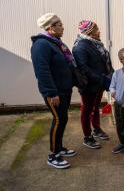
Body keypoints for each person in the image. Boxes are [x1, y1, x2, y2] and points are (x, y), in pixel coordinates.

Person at [31, 13, 76, 169]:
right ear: (51, 28)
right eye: (60, 25)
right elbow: (42, 71)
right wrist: (51, 93)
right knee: (58, 120)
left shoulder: (55, 42)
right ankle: (53, 154)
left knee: (62, 119)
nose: (63, 27)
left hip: (64, 89)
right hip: (54, 92)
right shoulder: (41, 45)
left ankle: (59, 147)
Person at [73, 20, 114, 149]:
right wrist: (100, 78)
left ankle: (96, 129)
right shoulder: (80, 46)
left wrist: (109, 76)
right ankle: (87, 137)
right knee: (87, 110)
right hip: (89, 85)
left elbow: (103, 62)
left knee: (95, 107)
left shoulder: (95, 44)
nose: (99, 31)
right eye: (96, 30)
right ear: (89, 32)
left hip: (99, 83)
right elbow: (83, 68)